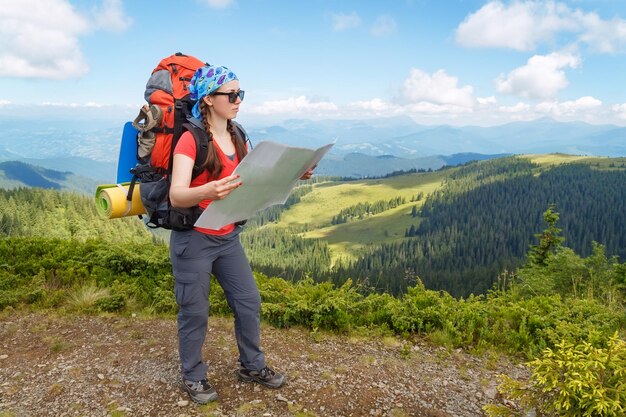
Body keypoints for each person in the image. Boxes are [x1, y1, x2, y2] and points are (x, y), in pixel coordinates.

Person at [169, 64, 314, 404]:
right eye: (231, 95)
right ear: (207, 99)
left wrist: (294, 174)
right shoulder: (190, 139)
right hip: (194, 239)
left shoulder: (237, 135)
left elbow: (254, 180)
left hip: (227, 235)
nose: (238, 100)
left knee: (248, 302)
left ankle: (252, 365)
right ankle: (193, 375)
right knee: (194, 311)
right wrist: (209, 191)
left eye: (240, 94)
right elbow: (176, 195)